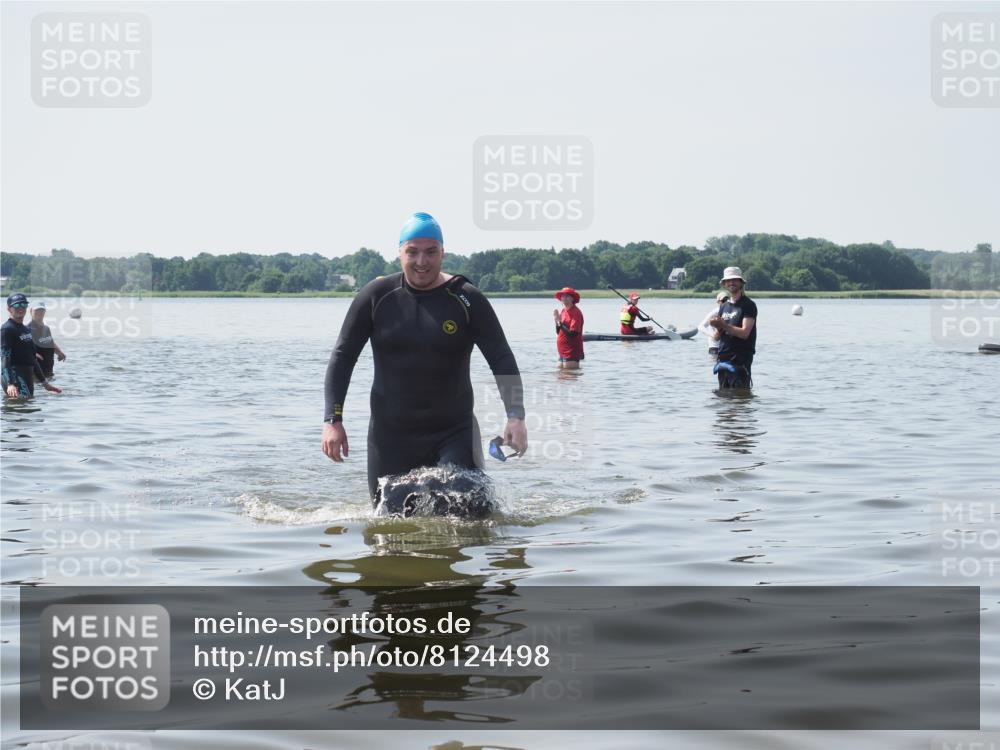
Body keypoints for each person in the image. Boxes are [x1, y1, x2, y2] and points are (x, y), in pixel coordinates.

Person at [321, 212, 528, 502]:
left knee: (468, 510)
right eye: (412, 252)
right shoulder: (376, 297)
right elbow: (343, 357)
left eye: (431, 252)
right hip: (390, 436)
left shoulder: (466, 299)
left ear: (443, 252)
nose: (421, 261)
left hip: (454, 432)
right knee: (390, 527)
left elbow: (501, 358)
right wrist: (333, 420)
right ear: (399, 253)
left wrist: (515, 417)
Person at [2, 293, 61, 399]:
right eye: (16, 305)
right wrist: (11, 383)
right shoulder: (7, 329)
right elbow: (4, 357)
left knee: (29, 407)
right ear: (9, 309)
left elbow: (32, 358)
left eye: (23, 304)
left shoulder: (26, 330)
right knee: (19, 410)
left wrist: (44, 383)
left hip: (27, 375)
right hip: (14, 376)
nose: (20, 308)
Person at [708, 267, 757, 388]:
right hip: (723, 360)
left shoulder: (748, 305)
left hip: (740, 360)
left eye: (734, 280)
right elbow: (716, 337)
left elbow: (745, 333)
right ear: (724, 284)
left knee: (739, 402)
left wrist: (723, 325)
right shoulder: (723, 306)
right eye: (728, 280)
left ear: (741, 282)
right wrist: (716, 327)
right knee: (723, 401)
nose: (731, 283)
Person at [29, 301, 66, 379]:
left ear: (45, 312)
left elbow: (50, 342)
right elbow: (20, 348)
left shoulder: (46, 328)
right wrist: (33, 354)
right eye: (37, 311)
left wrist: (59, 352)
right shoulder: (27, 329)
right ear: (30, 311)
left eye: (41, 311)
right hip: (35, 374)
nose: (39, 313)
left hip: (48, 371)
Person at [553, 286, 584, 368]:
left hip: (571, 351)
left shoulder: (576, 312)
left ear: (572, 299)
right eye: (563, 296)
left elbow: (572, 334)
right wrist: (556, 321)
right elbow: (558, 331)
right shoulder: (563, 311)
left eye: (567, 296)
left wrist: (560, 322)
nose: (564, 298)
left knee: (570, 377)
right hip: (562, 350)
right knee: (560, 377)